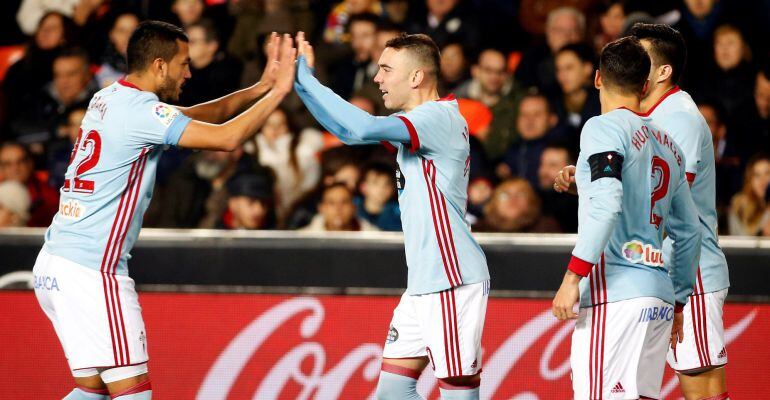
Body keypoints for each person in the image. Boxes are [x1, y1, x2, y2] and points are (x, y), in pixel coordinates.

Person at [32, 22, 296, 400]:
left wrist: (262, 86)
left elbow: (204, 114)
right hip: (93, 273)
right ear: (159, 65)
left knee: (92, 393)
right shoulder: (142, 114)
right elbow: (228, 137)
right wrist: (281, 92)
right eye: (183, 64)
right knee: (133, 395)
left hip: (56, 264)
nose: (188, 73)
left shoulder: (108, 98)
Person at [294, 31, 489, 399]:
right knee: (392, 393)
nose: (377, 78)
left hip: (450, 279)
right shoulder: (419, 122)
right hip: (423, 283)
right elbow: (349, 134)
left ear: (416, 77)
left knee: (457, 392)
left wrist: (307, 80)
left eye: (386, 69)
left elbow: (363, 126)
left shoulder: (436, 118)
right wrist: (301, 84)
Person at [551, 37, 701, 399]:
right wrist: (679, 302)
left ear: (598, 79)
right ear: (645, 85)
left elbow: (607, 205)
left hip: (614, 295)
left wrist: (573, 278)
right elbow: (690, 232)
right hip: (659, 297)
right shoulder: (669, 144)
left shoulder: (602, 128)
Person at [630, 23, 731, 400]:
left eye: (641, 58)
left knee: (700, 384)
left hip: (692, 272)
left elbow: (671, 200)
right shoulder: (644, 115)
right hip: (654, 270)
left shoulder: (681, 118)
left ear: (663, 70)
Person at [0, 142, 59, 227]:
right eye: (8, 164)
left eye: (20, 162)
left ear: (30, 163)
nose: (15, 169)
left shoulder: (49, 196)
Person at [301, 182, 379, 232]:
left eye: (344, 202)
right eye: (331, 203)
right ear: (321, 208)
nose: (338, 208)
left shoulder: (375, 238)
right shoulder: (301, 241)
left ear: (354, 207)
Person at [728, 154, 770, 236]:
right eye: (757, 175)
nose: (763, 180)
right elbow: (740, 242)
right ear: (750, 180)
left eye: (767, 173)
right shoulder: (739, 206)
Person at [355, 162, 401, 231]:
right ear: (363, 187)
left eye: (387, 184)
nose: (381, 189)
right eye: (375, 183)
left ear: (393, 189)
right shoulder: (353, 208)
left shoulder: (400, 213)